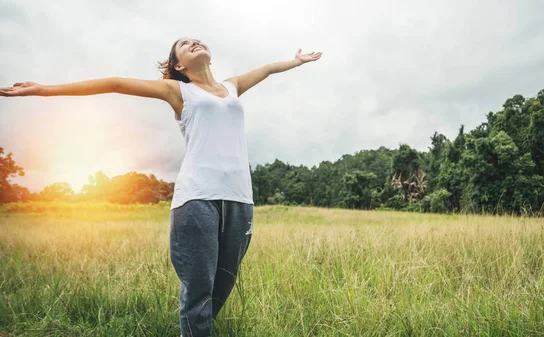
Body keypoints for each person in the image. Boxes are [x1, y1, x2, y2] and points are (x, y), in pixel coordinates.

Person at [1, 38, 322, 336]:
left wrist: (297, 61)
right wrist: (42, 90)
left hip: (240, 200)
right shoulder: (177, 91)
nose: (193, 42)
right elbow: (114, 84)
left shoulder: (232, 86)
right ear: (178, 66)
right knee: (198, 290)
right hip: (197, 200)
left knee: (223, 285)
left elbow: (267, 69)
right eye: (184, 44)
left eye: (196, 39)